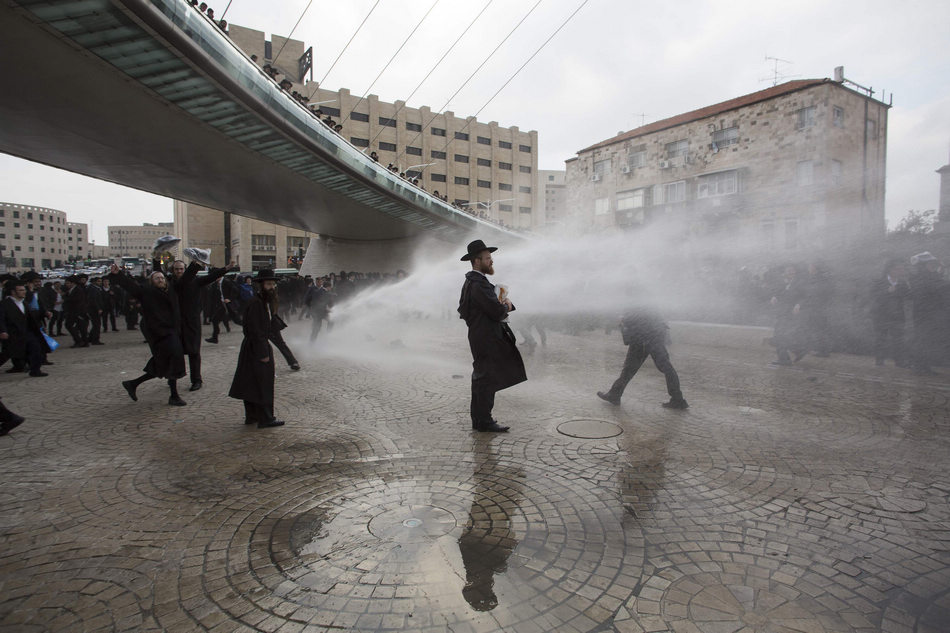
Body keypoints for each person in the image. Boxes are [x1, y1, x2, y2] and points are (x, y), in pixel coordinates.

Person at [457, 240, 526, 433]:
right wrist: (507, 306)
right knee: (486, 378)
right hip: (486, 338)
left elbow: (463, 310)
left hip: (480, 336)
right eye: (487, 258)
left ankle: (480, 420)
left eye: (491, 257)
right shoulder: (478, 284)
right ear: (476, 261)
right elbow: (496, 311)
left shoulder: (472, 282)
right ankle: (484, 421)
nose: (491, 261)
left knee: (482, 377)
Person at [109, 264, 188, 406]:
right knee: (174, 359)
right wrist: (118, 275)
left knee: (164, 364)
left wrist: (196, 264)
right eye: (157, 278)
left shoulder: (172, 291)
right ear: (152, 281)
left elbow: (186, 279)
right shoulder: (147, 292)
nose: (160, 280)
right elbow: (131, 286)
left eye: (162, 278)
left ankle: (133, 384)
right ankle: (173, 395)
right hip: (160, 334)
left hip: (173, 331)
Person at [156, 254, 230, 392]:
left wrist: (226, 268)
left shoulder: (195, 281)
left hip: (192, 322)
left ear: (185, 269)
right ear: (173, 270)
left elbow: (211, 277)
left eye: (181, 269)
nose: (179, 271)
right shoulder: (171, 283)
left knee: (194, 352)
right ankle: (173, 379)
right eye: (176, 269)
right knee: (174, 351)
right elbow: (158, 276)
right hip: (175, 322)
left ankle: (196, 380)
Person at [597, 308, 688, 409]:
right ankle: (677, 399)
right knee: (666, 367)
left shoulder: (637, 303)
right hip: (652, 336)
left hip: (643, 337)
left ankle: (614, 394)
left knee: (630, 368)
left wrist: (623, 319)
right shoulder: (647, 302)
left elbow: (633, 318)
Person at [228, 269, 285, 428]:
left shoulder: (263, 302)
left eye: (273, 284)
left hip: (255, 346)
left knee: (252, 383)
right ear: (260, 285)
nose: (272, 287)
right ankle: (265, 418)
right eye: (268, 284)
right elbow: (254, 330)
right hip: (256, 347)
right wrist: (263, 352)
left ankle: (252, 416)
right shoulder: (256, 303)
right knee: (262, 383)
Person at [0, 280, 50, 377]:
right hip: (13, 333)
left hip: (27, 332)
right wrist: (2, 331)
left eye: (24, 290)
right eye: (21, 290)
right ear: (13, 292)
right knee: (7, 354)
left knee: (36, 349)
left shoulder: (24, 303)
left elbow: (30, 316)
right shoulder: (4, 304)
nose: (24, 292)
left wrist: (44, 314)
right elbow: (0, 319)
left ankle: (35, 370)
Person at [909, 252, 947, 375]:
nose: (933, 266)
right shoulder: (922, 278)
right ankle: (920, 366)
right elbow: (938, 287)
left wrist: (941, 271)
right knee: (923, 340)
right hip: (925, 314)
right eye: (930, 264)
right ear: (923, 266)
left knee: (927, 340)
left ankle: (923, 366)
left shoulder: (927, 277)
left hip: (930, 314)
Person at [870, 259, 909, 367]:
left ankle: (899, 361)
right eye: (897, 269)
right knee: (881, 339)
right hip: (881, 315)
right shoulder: (879, 281)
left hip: (897, 316)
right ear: (890, 270)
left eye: (901, 269)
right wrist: (886, 292)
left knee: (898, 339)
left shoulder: (902, 283)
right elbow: (873, 296)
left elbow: (907, 297)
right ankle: (879, 360)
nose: (900, 271)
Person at [769, 264, 805, 366]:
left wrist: (798, 305)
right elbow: (778, 292)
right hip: (782, 312)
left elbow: (805, 296)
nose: (789, 273)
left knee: (780, 335)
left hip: (791, 313)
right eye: (787, 271)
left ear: (795, 272)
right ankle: (796, 351)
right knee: (780, 335)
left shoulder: (799, 282)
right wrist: (774, 297)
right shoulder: (783, 282)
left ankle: (788, 356)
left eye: (791, 271)